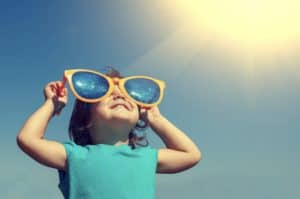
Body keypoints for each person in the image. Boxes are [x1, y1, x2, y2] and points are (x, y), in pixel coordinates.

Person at [16, 67, 202, 199]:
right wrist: (52, 104)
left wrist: (157, 120)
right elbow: (28, 139)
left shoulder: (146, 157)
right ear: (85, 118)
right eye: (106, 93)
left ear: (139, 116)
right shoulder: (75, 155)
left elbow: (191, 154)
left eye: (128, 95)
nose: (119, 95)